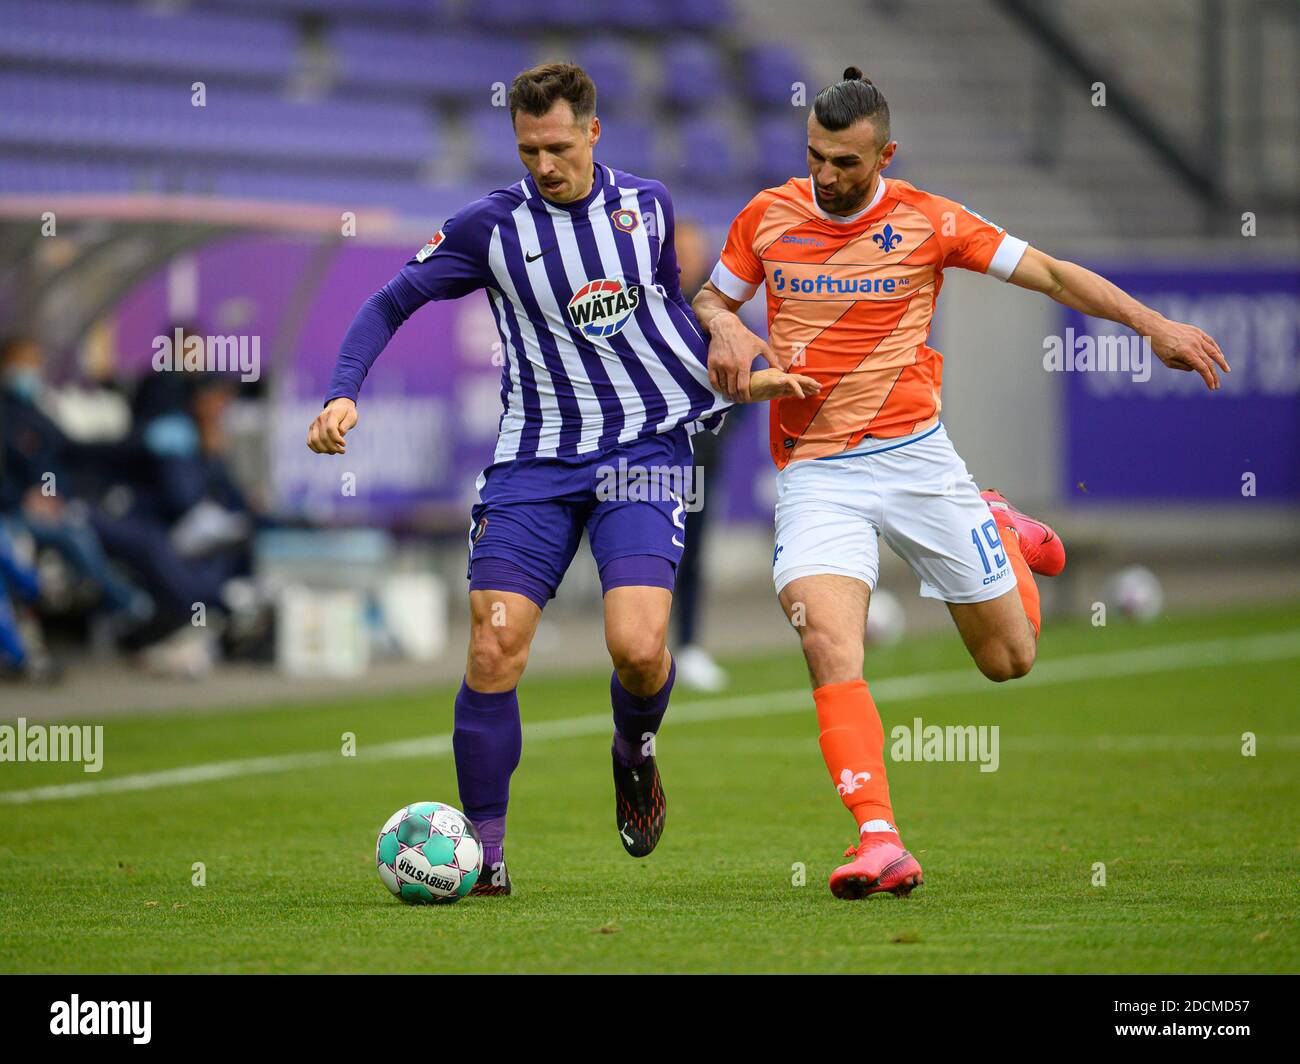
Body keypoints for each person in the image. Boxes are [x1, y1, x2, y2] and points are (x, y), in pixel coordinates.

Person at [692, 68, 1229, 900]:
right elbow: (709, 298)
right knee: (828, 641)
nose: (827, 178)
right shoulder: (767, 216)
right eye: (816, 159)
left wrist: (1152, 325)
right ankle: (878, 838)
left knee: (1009, 660)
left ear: (886, 155)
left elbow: (1050, 274)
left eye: (845, 164)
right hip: (814, 473)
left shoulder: (931, 220)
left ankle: (995, 520)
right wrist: (728, 326)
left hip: (917, 462)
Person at [307, 62, 817, 897]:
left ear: (592, 132)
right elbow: (390, 302)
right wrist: (342, 392)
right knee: (494, 644)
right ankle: (487, 855)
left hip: (645, 453)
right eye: (527, 149)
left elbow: (665, 322)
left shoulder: (647, 208)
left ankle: (634, 750)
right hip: (535, 461)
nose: (543, 164)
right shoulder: (489, 229)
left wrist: (729, 367)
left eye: (556, 145)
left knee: (640, 649)